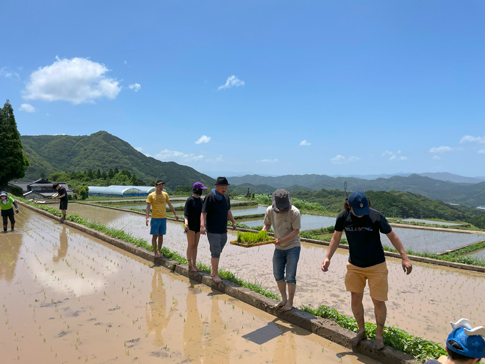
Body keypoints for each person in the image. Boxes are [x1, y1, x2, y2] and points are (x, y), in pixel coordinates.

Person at [321, 191, 412, 350]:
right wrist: (328, 257)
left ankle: (379, 335)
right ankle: (361, 332)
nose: (362, 215)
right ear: (349, 206)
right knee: (355, 297)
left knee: (378, 301)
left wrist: (404, 257)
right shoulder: (343, 217)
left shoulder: (376, 216)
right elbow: (336, 238)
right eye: (358, 211)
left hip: (376, 265)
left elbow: (392, 236)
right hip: (355, 265)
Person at [262, 189, 301, 312]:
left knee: (290, 276)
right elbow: (267, 225)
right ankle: (283, 300)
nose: (282, 209)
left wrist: (283, 240)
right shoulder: (270, 210)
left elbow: (296, 231)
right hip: (278, 247)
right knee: (278, 274)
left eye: (284, 207)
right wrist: (262, 234)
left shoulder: (294, 212)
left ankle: (290, 302)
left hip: (292, 247)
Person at [200, 177, 236, 283]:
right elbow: (204, 212)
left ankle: (214, 271)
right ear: (216, 186)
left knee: (218, 251)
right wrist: (202, 225)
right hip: (213, 230)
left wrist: (233, 221)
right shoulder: (210, 197)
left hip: (223, 229)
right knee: (215, 252)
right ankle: (214, 274)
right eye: (222, 187)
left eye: (226, 187)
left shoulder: (226, 197)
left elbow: (228, 210)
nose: (224, 189)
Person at [146, 180, 179, 257]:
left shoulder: (165, 195)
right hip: (155, 218)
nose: (161, 187)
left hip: (163, 218)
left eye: (162, 185)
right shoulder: (151, 195)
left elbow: (170, 205)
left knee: (161, 235)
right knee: (155, 236)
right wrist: (147, 217)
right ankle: (155, 252)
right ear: (155, 186)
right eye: (159, 185)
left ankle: (159, 252)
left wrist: (175, 214)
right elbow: (148, 207)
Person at [183, 182, 207, 272]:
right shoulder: (190, 200)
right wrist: (186, 223)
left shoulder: (201, 201)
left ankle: (194, 264)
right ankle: (189, 265)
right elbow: (186, 215)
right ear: (198, 189)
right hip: (190, 226)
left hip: (198, 226)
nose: (203, 191)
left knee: (195, 245)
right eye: (202, 189)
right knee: (191, 245)